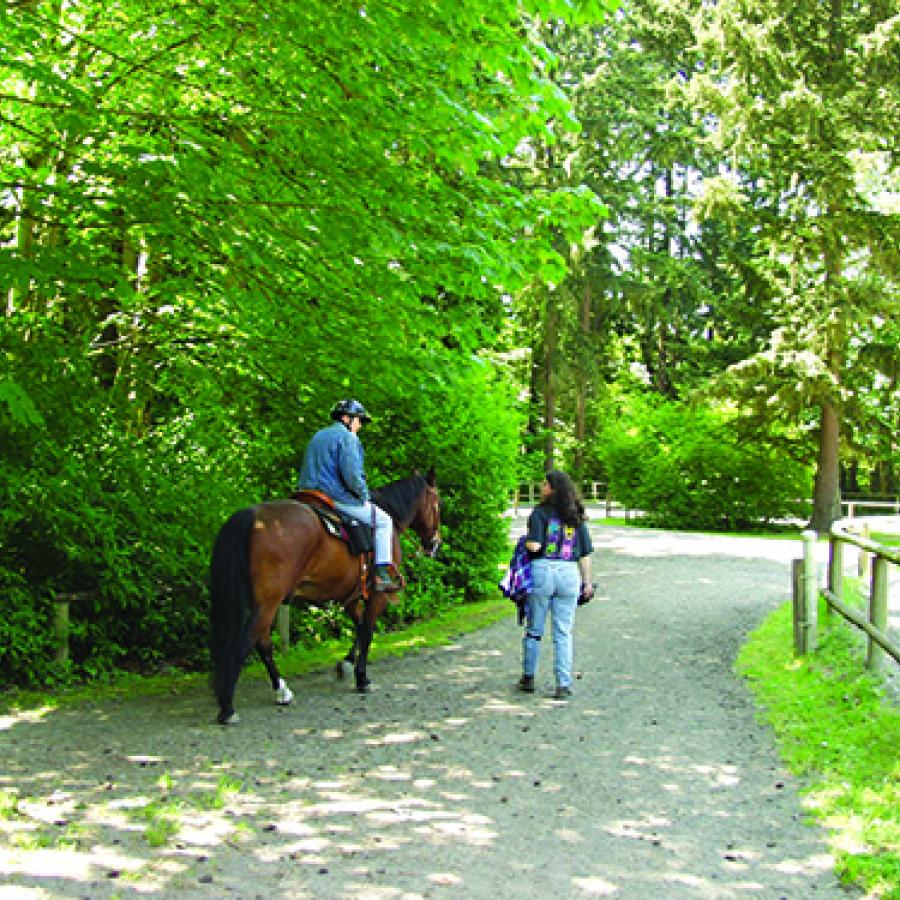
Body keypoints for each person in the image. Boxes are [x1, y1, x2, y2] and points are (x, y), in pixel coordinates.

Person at [297, 399, 402, 592]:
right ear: (346, 418)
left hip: (305, 494)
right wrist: (364, 496)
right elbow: (352, 476)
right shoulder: (348, 438)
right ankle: (381, 575)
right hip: (334, 497)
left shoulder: (318, 435)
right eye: (359, 420)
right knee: (384, 521)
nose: (360, 425)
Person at [518, 469, 594, 700]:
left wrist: (528, 543)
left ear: (553, 488)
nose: (542, 487)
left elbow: (533, 546)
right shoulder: (575, 515)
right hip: (569, 574)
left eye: (544, 484)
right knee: (563, 632)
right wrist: (587, 583)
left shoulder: (540, 513)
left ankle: (529, 677)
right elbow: (585, 554)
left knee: (535, 629)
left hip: (543, 571)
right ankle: (563, 683)